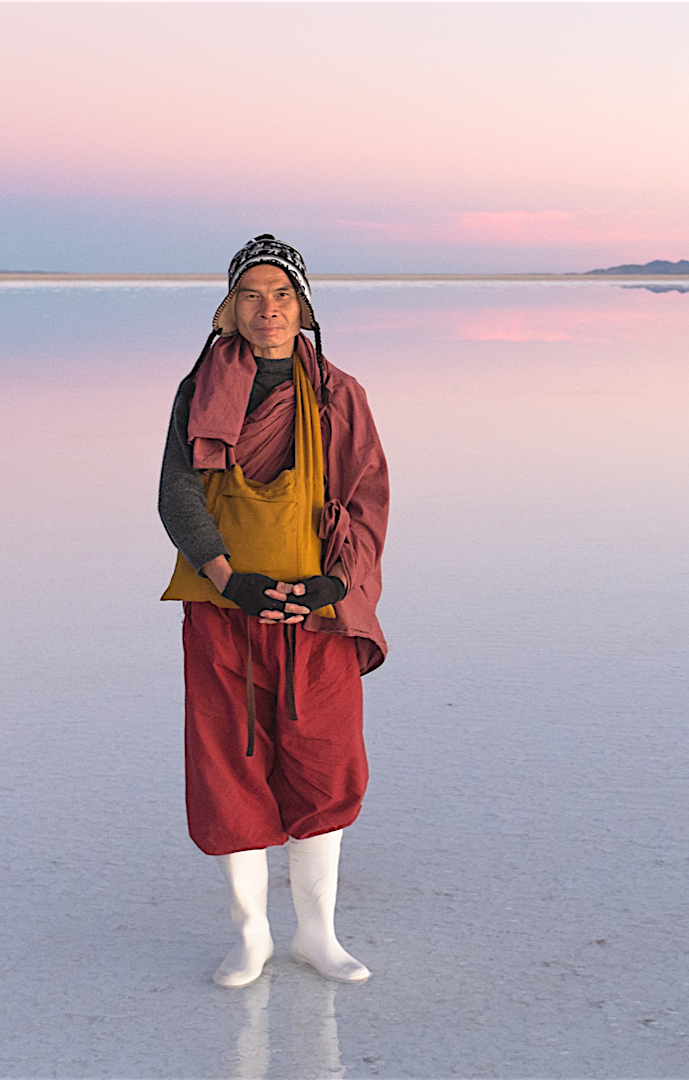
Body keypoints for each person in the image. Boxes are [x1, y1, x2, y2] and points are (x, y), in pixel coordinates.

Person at [158, 234, 389, 986]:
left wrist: (334, 584)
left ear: (303, 306)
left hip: (316, 619)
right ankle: (252, 936)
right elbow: (177, 494)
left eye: (282, 294)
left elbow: (365, 496)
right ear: (229, 310)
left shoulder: (338, 394)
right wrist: (230, 578)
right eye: (251, 296)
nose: (268, 309)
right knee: (229, 766)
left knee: (324, 764)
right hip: (224, 612)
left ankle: (317, 936)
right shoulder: (199, 392)